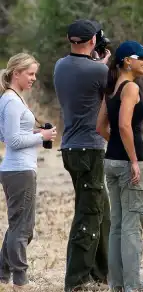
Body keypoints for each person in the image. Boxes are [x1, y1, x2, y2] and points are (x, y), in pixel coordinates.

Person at [53, 19, 112, 292]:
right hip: (90, 148)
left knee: (101, 211)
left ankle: (102, 272)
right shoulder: (98, 71)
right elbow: (111, 93)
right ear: (93, 42)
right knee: (88, 214)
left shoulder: (60, 65)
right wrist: (104, 64)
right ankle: (77, 280)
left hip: (71, 147)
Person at [95, 40, 143, 292]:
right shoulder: (130, 87)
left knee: (118, 227)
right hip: (128, 165)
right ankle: (133, 285)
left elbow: (100, 127)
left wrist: (119, 148)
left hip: (111, 161)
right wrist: (133, 159)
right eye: (141, 57)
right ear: (126, 62)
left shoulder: (111, 88)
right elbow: (123, 125)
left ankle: (118, 284)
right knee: (132, 226)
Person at [0, 53, 57, 290]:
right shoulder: (12, 101)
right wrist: (40, 136)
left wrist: (35, 134)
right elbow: (12, 140)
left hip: (18, 168)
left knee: (18, 226)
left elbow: (4, 135)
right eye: (30, 73)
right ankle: (20, 282)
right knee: (22, 229)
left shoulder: (11, 98)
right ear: (17, 73)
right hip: (19, 170)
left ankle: (2, 275)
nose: (34, 78)